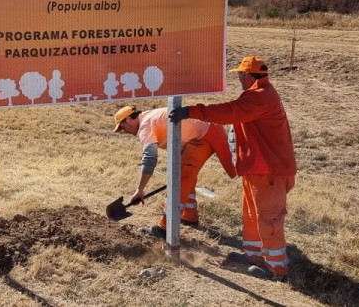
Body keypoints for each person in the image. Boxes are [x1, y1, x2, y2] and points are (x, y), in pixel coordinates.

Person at [169, 56, 297, 281]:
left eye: (239, 75)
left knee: (269, 218)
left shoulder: (260, 97)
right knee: (251, 214)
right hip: (257, 168)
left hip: (269, 170)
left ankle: (277, 268)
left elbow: (228, 112)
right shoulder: (259, 94)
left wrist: (191, 111)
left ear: (248, 76)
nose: (238, 78)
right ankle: (254, 256)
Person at [113, 106, 236, 239]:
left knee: (179, 180)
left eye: (122, 127)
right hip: (205, 131)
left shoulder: (145, 126)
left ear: (128, 119)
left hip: (205, 135)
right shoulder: (148, 117)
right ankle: (189, 216)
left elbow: (149, 159)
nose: (123, 131)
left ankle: (165, 228)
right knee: (185, 174)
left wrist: (140, 189)